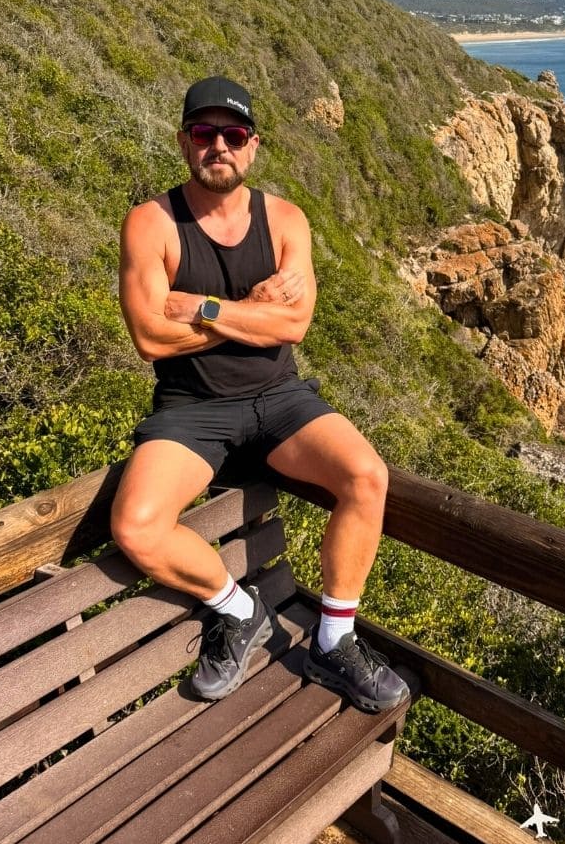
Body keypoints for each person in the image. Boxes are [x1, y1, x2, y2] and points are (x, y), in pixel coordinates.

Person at [111, 74, 409, 715]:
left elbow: (294, 325)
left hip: (281, 398)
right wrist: (253, 309)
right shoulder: (151, 224)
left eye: (233, 133)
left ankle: (333, 642)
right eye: (204, 132)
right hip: (192, 411)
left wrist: (206, 307)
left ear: (253, 145)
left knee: (367, 477)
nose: (218, 145)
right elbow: (150, 339)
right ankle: (237, 609)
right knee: (135, 525)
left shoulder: (285, 220)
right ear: (184, 142)